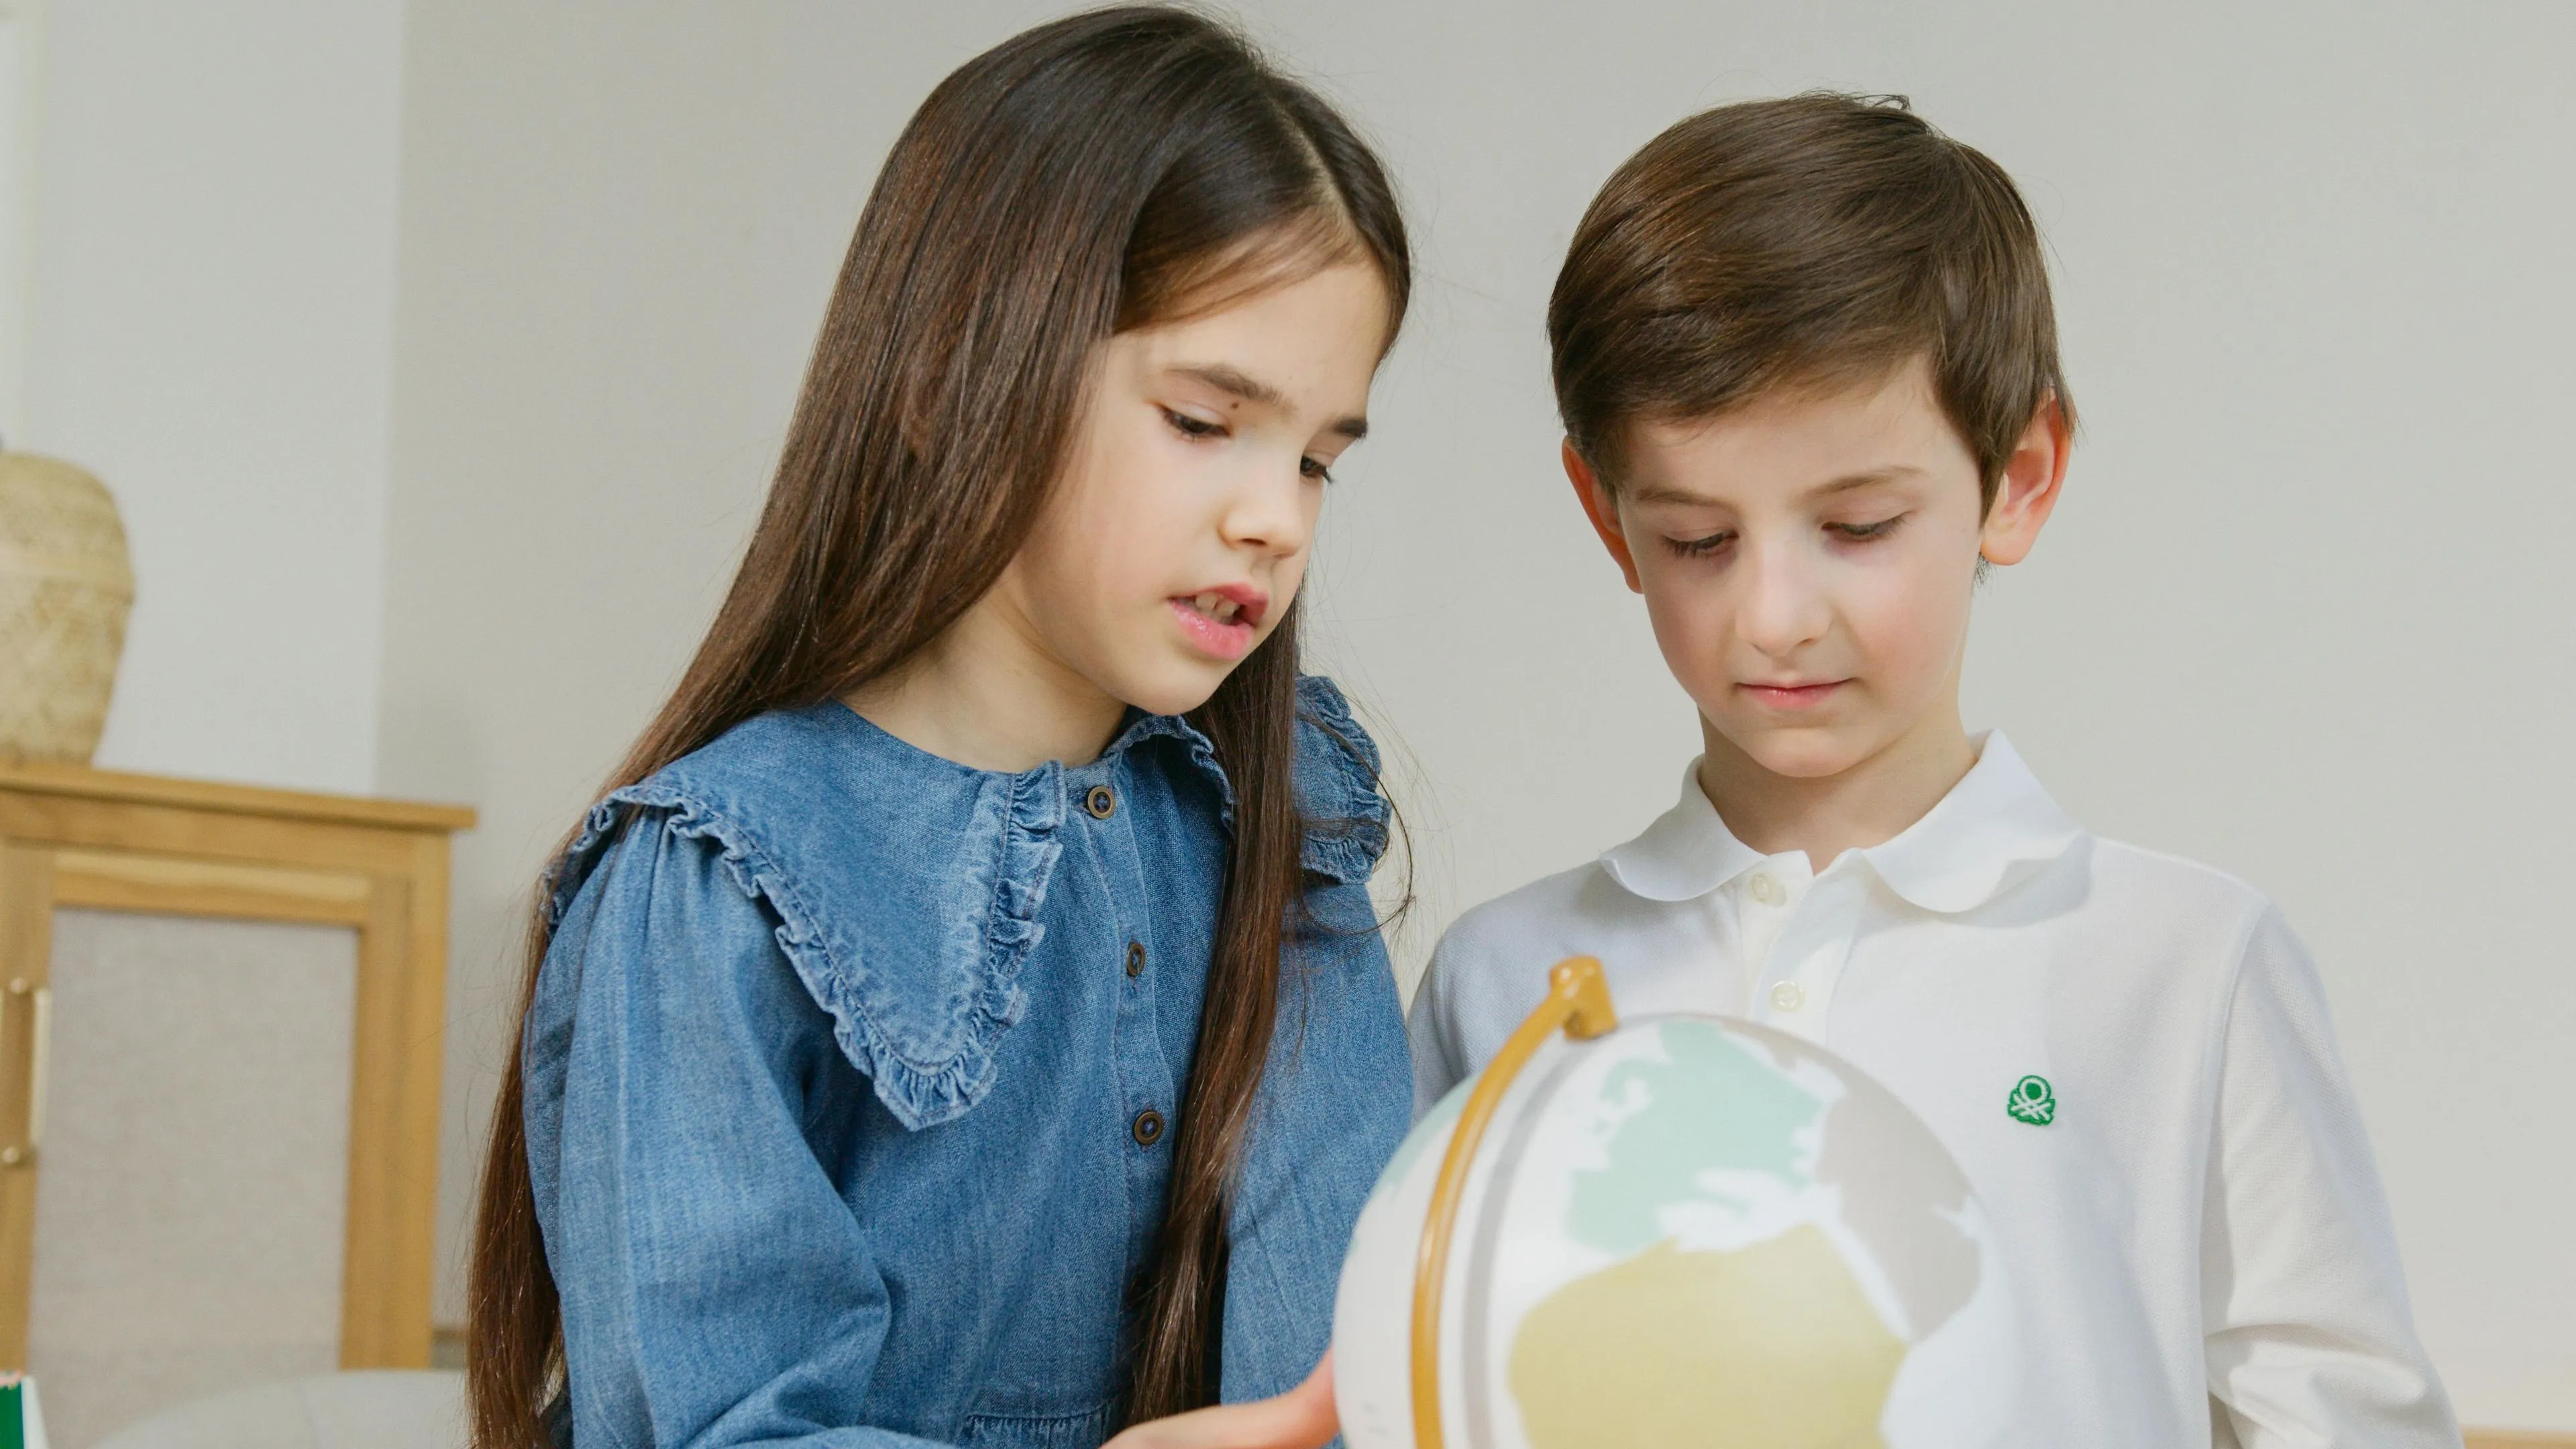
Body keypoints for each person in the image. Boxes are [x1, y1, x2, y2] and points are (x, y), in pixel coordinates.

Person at [1407, 94, 2459, 1447]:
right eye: (1699, 542)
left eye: (1855, 526)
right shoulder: (1503, 985)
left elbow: (2349, 1424)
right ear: (1608, 519)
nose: (1776, 613)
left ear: (2017, 478)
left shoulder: (2185, 967)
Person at [465, 11, 1416, 1447]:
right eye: (1204, 420)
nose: (1274, 517)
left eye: (1318, 460)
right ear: (953, 376)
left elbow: (1337, 1374)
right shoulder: (716, 886)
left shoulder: (1285, 824)